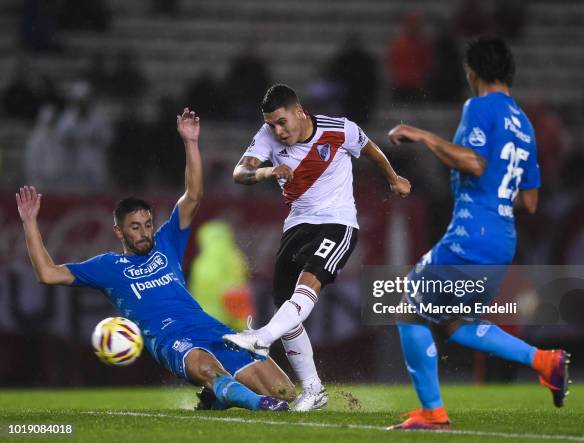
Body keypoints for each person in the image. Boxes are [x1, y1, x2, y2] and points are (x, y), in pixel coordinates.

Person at [17, 108, 295, 412]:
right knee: (209, 371)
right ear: (118, 231)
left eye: (147, 224)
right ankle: (260, 404)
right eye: (135, 227)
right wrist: (30, 222)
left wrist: (190, 143)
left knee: (287, 392)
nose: (144, 232)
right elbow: (47, 273)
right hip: (171, 338)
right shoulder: (108, 268)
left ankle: (219, 400)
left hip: (212, 327)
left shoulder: (166, 242)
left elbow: (193, 195)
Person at [385, 36, 570, 431]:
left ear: (472, 73)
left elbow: (474, 162)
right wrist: (498, 199)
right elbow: (531, 201)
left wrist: (425, 136)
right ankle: (545, 361)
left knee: (407, 304)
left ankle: (433, 413)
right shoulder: (524, 124)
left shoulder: (480, 106)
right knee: (453, 322)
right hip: (502, 237)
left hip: (472, 231)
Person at [224, 84, 411, 411]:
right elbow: (240, 172)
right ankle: (313, 390)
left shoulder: (340, 129)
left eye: (282, 122)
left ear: (300, 111)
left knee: (307, 283)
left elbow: (370, 149)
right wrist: (268, 170)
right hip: (297, 226)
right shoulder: (267, 136)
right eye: (271, 125)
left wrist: (393, 178)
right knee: (286, 307)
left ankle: (261, 338)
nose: (277, 131)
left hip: (338, 224)